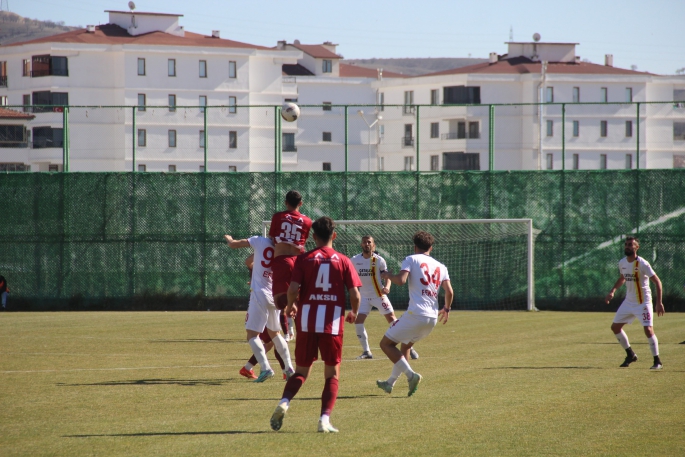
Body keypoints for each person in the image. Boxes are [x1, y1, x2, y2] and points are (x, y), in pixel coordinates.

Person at [270, 216, 362, 433]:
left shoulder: (304, 259)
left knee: (301, 371)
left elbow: (292, 289)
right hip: (331, 323)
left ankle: (284, 402)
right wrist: (355, 312)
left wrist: (290, 306)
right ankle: (324, 420)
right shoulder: (343, 260)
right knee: (331, 374)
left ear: (313, 237)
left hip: (307, 320)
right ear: (334, 236)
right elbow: (355, 293)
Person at [377, 231, 453, 397]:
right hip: (432, 318)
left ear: (415, 247)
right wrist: (446, 309)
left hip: (416, 314)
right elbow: (449, 291)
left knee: (386, 344)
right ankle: (390, 383)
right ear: (430, 248)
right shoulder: (441, 266)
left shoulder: (411, 259)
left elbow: (401, 280)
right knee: (405, 346)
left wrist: (387, 275)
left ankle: (412, 375)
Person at [225, 234, 294, 382]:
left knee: (252, 335)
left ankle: (265, 368)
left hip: (259, 294)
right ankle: (289, 367)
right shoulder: (284, 251)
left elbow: (234, 245)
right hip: (274, 295)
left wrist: (229, 239)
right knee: (275, 333)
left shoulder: (260, 241)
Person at [350, 236, 418, 360]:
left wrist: (387, 287)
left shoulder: (379, 260)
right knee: (358, 322)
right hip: (364, 297)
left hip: (378, 295)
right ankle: (367, 352)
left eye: (369, 242)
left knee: (393, 320)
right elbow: (348, 273)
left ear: (373, 245)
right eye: (364, 242)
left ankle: (409, 347)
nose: (367, 244)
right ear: (361, 244)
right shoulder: (354, 260)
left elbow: (387, 276)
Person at [605, 237, 665, 370]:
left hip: (643, 303)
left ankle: (657, 361)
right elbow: (622, 278)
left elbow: (657, 282)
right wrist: (613, 291)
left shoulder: (642, 263)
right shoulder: (622, 263)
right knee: (615, 327)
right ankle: (630, 354)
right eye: (626, 244)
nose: (627, 246)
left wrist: (659, 302)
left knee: (648, 330)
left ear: (636, 247)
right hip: (629, 302)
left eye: (630, 245)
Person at [268, 190, 312, 312]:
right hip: (299, 261)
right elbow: (303, 240)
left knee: (279, 303)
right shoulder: (307, 221)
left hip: (282, 260)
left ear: (286, 202)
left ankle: (287, 328)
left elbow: (272, 238)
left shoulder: (278, 217)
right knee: (299, 298)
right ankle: (299, 327)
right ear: (301, 203)